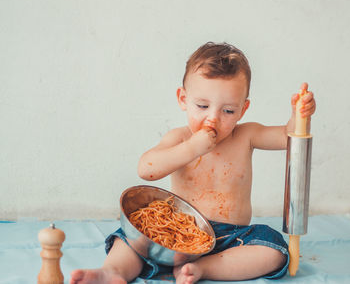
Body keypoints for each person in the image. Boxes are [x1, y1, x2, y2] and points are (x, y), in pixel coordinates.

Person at [70, 42, 316, 284]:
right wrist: (191, 148)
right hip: (174, 233)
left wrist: (299, 117)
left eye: (228, 111)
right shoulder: (180, 138)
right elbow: (146, 170)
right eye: (202, 106)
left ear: (243, 109)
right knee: (130, 237)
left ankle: (201, 268)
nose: (214, 118)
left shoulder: (247, 135)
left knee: (273, 248)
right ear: (183, 99)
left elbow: (289, 137)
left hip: (230, 237)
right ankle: (112, 272)